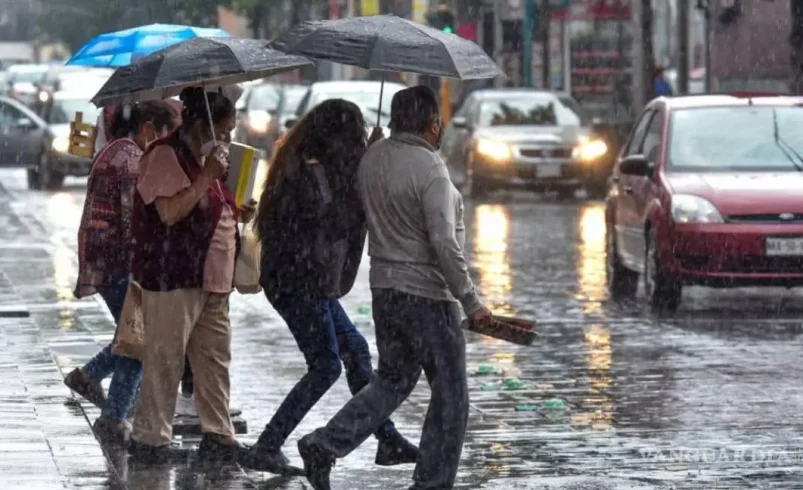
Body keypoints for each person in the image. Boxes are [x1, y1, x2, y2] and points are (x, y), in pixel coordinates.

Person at [296, 86, 493, 490]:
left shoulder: (372, 160)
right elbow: (443, 242)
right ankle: (432, 482)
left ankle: (325, 443)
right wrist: (471, 301)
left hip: (386, 292)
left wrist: (372, 151)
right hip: (429, 297)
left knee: (392, 382)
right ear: (433, 124)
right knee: (451, 396)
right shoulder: (430, 168)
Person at [241, 99, 418, 474]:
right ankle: (268, 444)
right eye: (353, 135)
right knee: (325, 366)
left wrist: (365, 162)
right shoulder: (307, 172)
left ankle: (385, 439)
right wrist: (361, 179)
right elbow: (331, 224)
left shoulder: (313, 165)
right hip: (298, 283)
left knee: (354, 349)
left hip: (307, 281)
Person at [127, 87, 256, 464]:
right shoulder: (165, 156)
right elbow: (169, 212)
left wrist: (237, 211)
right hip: (174, 275)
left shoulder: (208, 159)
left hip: (214, 279)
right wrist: (208, 177)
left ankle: (218, 434)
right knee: (165, 358)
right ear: (202, 124)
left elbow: (210, 206)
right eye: (225, 130)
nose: (229, 138)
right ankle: (151, 438)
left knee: (214, 361)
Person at [66, 100, 180, 445]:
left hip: (107, 261)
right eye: (163, 135)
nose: (164, 143)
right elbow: (135, 222)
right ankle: (113, 415)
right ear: (147, 128)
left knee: (133, 334)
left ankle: (89, 376)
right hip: (118, 263)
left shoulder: (115, 149)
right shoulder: (130, 159)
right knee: (139, 339)